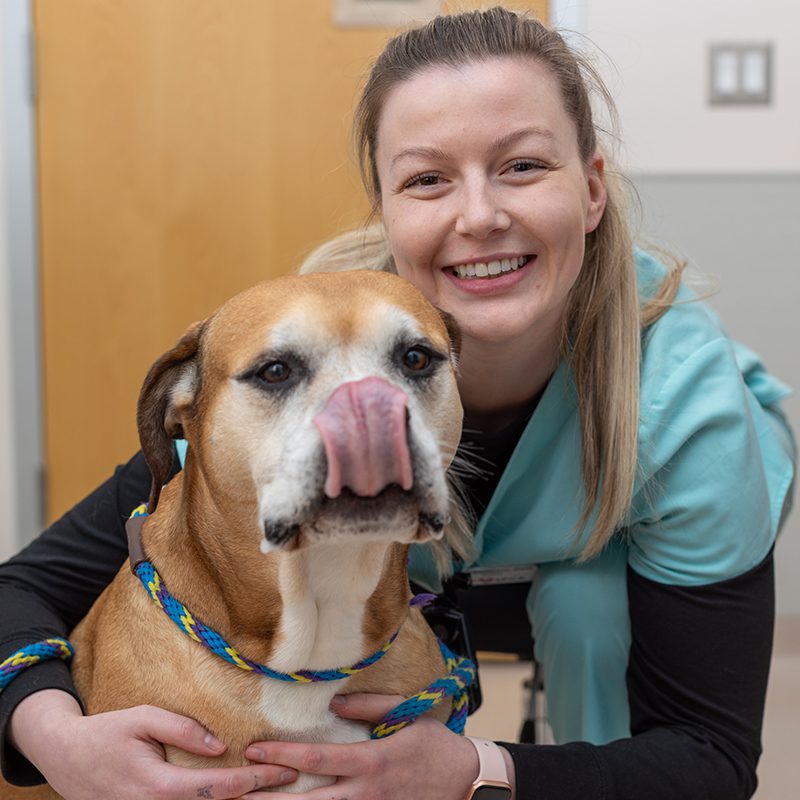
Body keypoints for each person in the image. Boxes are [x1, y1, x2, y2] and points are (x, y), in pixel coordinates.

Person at [0, 7, 795, 799]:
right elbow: (21, 588)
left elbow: (712, 754)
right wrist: (57, 741)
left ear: (591, 191)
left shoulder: (687, 414)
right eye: (427, 179)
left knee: (586, 608)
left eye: (522, 166)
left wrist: (482, 770)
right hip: (421, 594)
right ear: (385, 209)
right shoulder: (285, 339)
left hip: (617, 577)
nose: (479, 216)